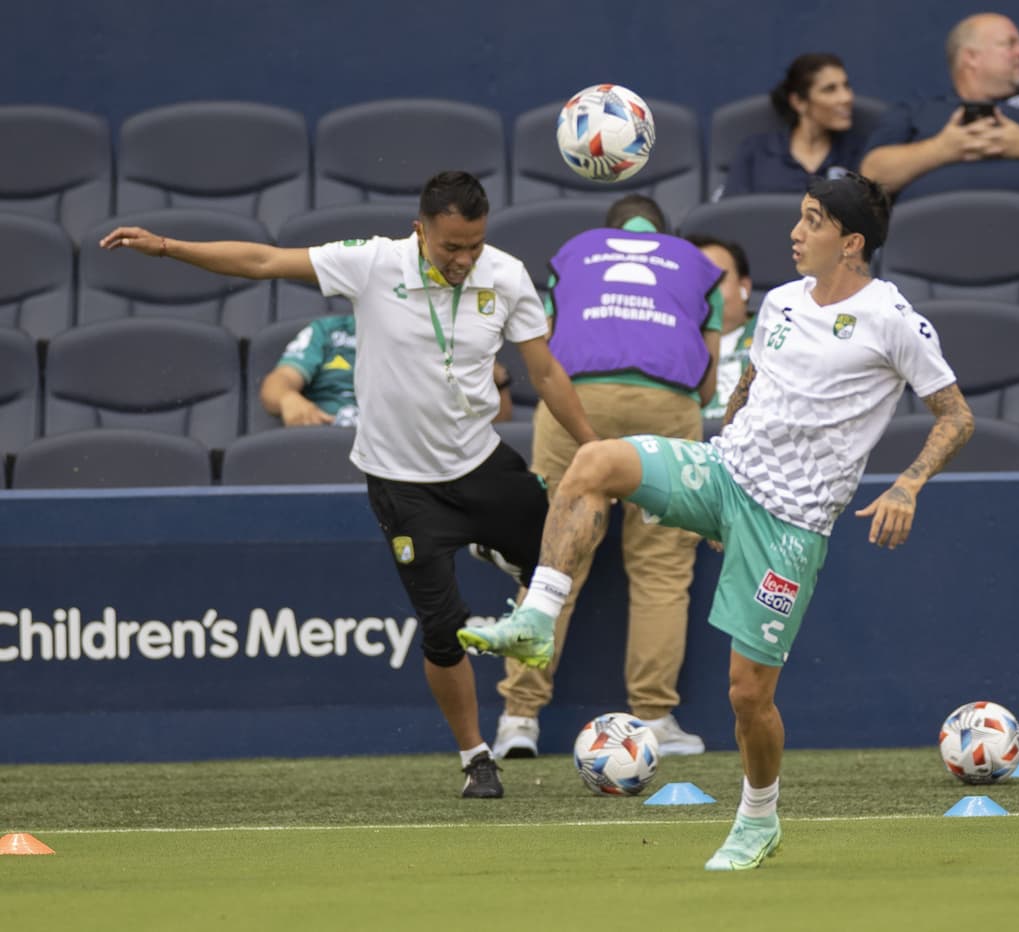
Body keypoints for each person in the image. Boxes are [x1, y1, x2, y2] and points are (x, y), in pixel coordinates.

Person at [461, 172, 974, 870]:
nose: (795, 232)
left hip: (790, 526)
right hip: (723, 473)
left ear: (851, 243)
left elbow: (956, 414)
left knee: (747, 697)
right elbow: (749, 384)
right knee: (594, 464)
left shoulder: (894, 319)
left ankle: (759, 819)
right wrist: (715, 487)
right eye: (799, 216)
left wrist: (909, 485)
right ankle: (535, 618)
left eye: (813, 221)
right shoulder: (784, 301)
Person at [100, 170, 598, 800]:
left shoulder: (505, 275)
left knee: (568, 546)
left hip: (480, 462)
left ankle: (492, 547)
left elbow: (546, 371)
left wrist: (593, 445)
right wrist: (167, 247)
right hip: (402, 485)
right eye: (451, 247)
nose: (463, 260)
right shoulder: (372, 263)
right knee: (443, 631)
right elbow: (261, 260)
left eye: (473, 245)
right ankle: (476, 757)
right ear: (420, 232)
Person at [489, 194, 724, 760]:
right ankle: (655, 718)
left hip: (576, 399)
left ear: (609, 231)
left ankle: (518, 719)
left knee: (554, 559)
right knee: (663, 567)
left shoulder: (573, 254)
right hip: (666, 405)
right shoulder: (697, 264)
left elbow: (543, 341)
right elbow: (710, 384)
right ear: (663, 235)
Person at [858, 12, 1019, 223]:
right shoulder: (916, 111)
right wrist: (942, 149)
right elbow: (872, 174)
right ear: (971, 57)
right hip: (930, 244)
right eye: (1010, 44)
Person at [261, 313, 514, 427]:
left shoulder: (437, 339)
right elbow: (279, 382)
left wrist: (495, 380)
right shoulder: (327, 331)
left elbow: (496, 421)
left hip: (406, 452)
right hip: (330, 439)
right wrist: (288, 399)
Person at [718, 53, 864, 199]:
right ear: (798, 102)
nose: (846, 98)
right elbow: (731, 214)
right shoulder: (756, 152)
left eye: (846, 86)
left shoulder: (860, 153)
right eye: (830, 89)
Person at [687, 235, 755, 421]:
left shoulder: (773, 331)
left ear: (744, 287)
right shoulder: (667, 343)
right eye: (693, 282)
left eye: (714, 280)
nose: (705, 290)